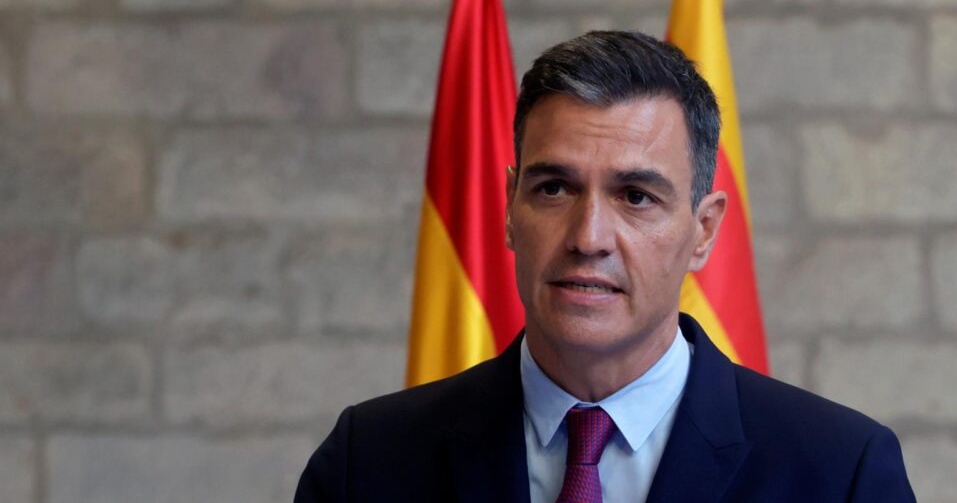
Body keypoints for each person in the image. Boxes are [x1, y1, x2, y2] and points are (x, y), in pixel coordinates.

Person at [294, 31, 917, 502]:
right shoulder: (366, 463)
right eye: (554, 189)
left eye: (636, 197)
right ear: (509, 209)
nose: (588, 238)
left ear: (703, 231)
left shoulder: (840, 472)